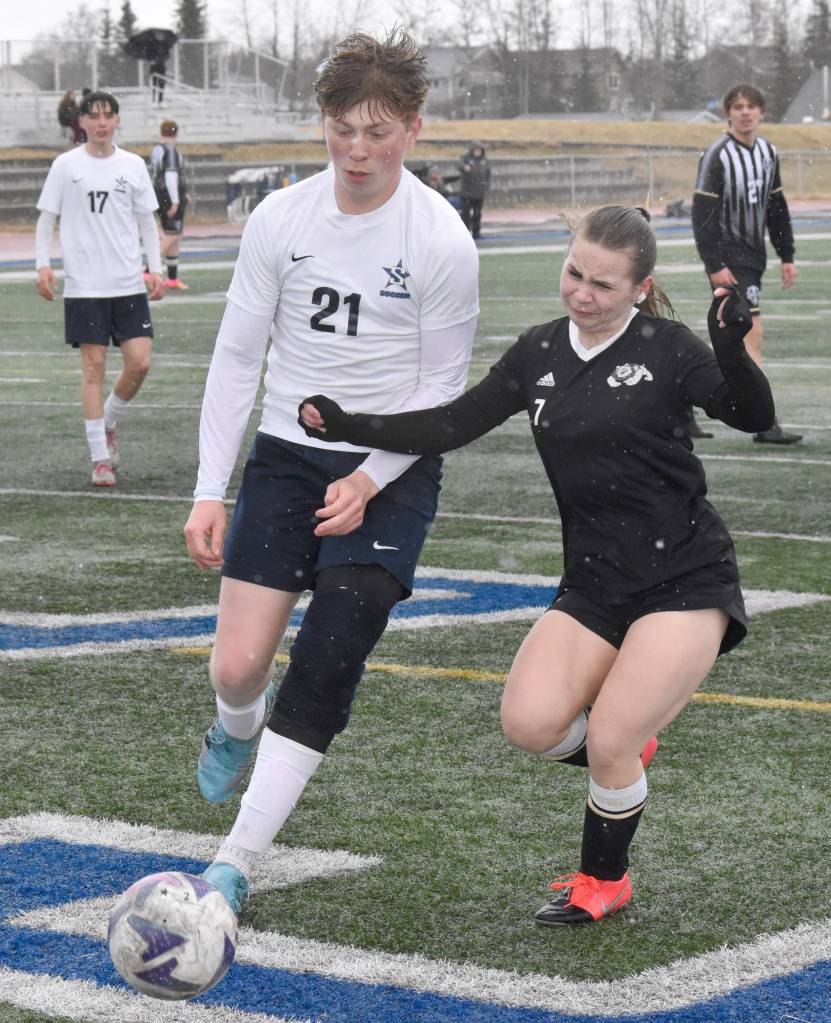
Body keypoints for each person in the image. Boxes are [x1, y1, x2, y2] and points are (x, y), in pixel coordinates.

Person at [299, 205, 775, 927]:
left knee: (609, 737)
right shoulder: (540, 350)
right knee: (529, 723)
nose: (583, 293)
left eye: (604, 285)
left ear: (640, 288)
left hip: (684, 578)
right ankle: (626, 752)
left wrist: (731, 348)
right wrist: (348, 424)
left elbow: (750, 414)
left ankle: (604, 877)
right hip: (594, 581)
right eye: (574, 273)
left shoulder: (668, 347)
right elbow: (451, 423)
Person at [182, 28, 479, 916]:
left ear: (413, 129)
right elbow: (238, 356)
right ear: (321, 122)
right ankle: (235, 726)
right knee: (238, 668)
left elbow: (443, 391)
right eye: (342, 129)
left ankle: (234, 862)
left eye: (377, 132)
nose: (356, 150)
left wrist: (372, 476)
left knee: (329, 651)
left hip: (394, 463)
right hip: (287, 455)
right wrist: (209, 487)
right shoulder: (280, 219)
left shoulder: (441, 238)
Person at [35, 91, 165, 488]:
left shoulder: (133, 165)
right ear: (82, 122)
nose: (102, 122)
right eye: (94, 116)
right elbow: (46, 220)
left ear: (117, 120)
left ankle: (108, 421)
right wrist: (43, 264)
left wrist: (155, 269)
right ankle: (100, 459)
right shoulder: (66, 165)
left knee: (140, 362)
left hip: (128, 283)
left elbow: (147, 222)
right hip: (85, 285)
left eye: (108, 115)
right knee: (93, 368)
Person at [692, 83, 801, 445]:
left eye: (751, 106)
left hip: (754, 256)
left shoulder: (768, 151)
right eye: (737, 106)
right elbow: (702, 212)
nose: (745, 112)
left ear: (762, 112)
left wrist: (787, 255)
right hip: (728, 256)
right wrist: (714, 262)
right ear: (728, 113)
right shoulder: (717, 155)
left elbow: (776, 206)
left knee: (730, 335)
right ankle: (762, 421)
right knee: (749, 332)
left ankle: (681, 400)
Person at [150, 119, 190, 290]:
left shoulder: (158, 149)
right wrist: (175, 201)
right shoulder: (171, 151)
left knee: (174, 235)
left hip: (160, 195)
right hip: (168, 196)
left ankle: (172, 278)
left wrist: (183, 193)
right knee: (172, 235)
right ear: (176, 133)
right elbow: (171, 176)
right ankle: (148, 269)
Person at [457, 143, 491, 239]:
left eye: (479, 150)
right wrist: (464, 167)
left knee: (477, 214)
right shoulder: (466, 158)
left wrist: (486, 186)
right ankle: (465, 233)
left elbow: (488, 175)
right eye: (476, 150)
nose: (478, 152)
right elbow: (458, 164)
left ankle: (476, 232)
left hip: (479, 194)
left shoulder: (484, 161)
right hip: (466, 193)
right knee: (465, 215)